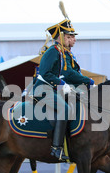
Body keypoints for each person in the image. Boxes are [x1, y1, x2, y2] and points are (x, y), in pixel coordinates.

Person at [33, 18, 94, 161]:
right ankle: (56, 148)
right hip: (43, 89)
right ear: (60, 37)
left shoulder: (61, 52)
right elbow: (45, 73)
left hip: (54, 88)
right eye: (68, 37)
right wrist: (61, 83)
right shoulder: (52, 51)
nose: (72, 40)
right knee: (65, 109)